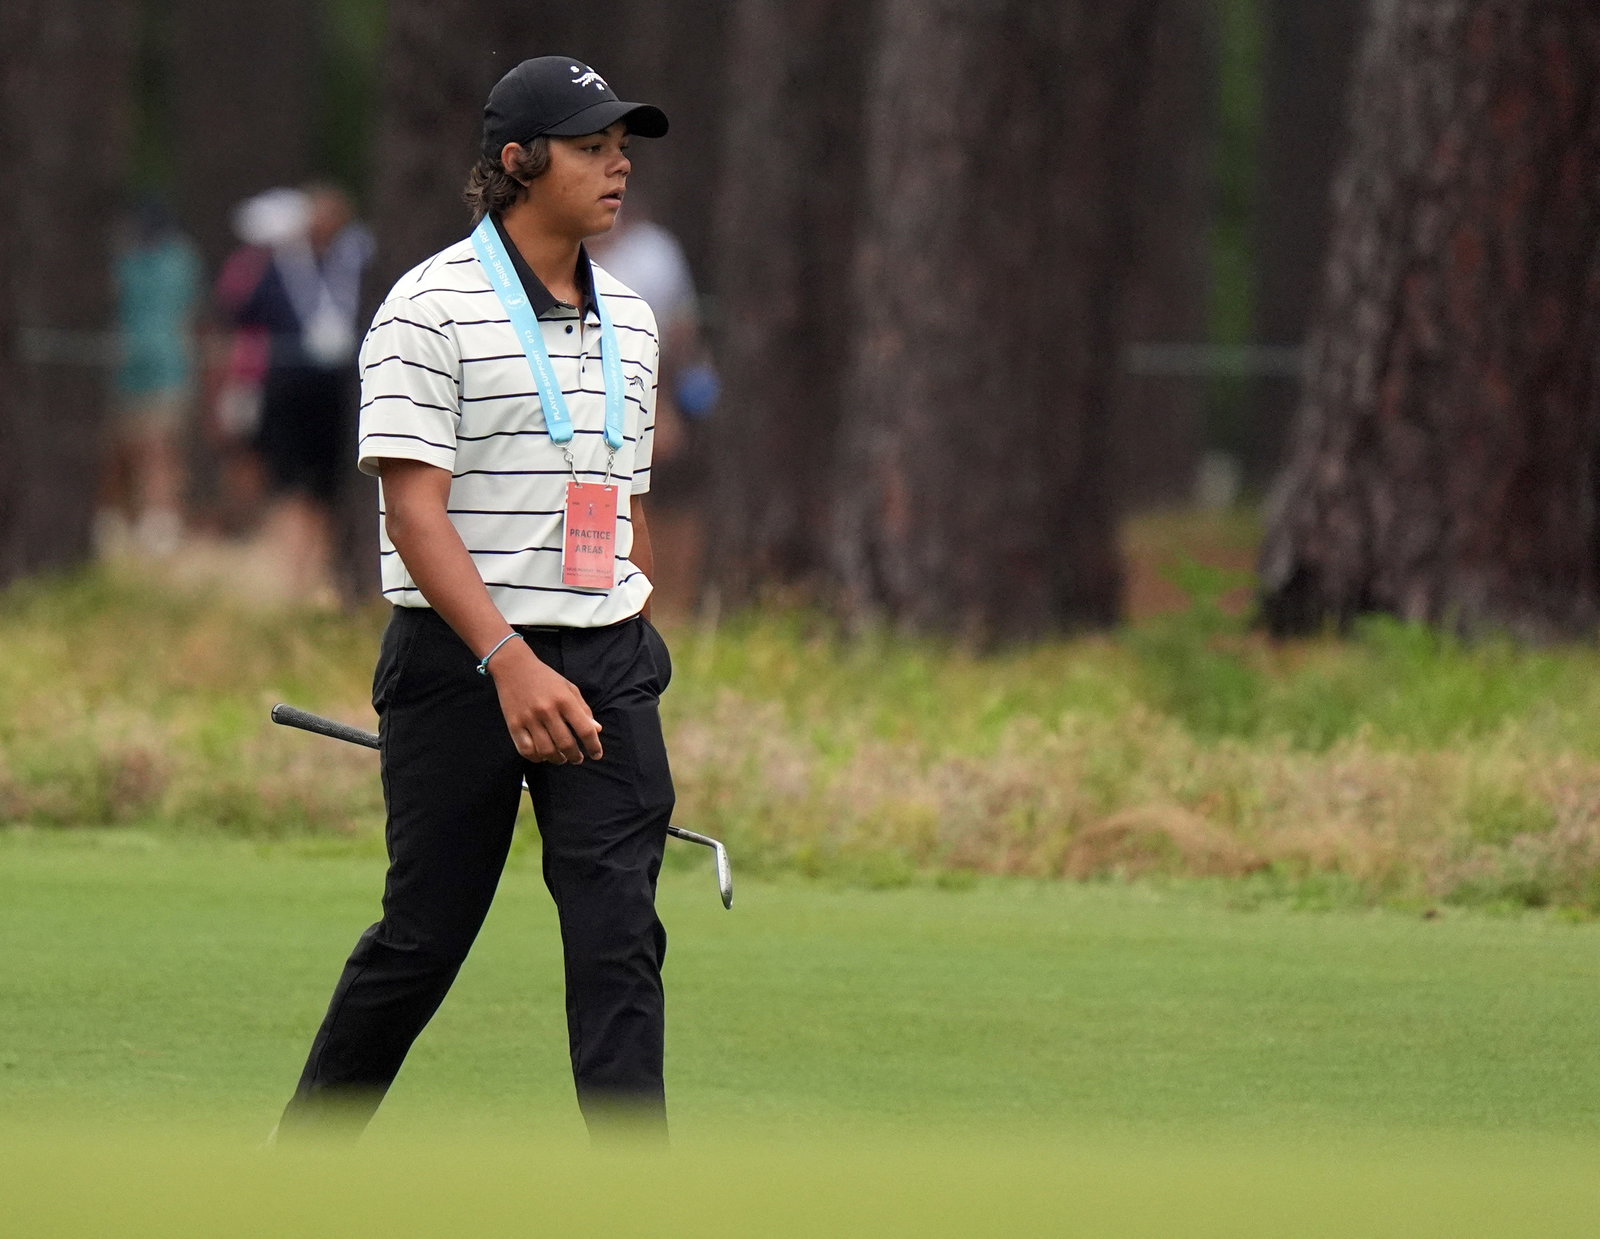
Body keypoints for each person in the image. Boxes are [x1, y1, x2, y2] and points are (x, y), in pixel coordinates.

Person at [275, 56, 675, 1140]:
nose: (617, 165)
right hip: (462, 665)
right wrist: (509, 661)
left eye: (621, 146)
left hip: (601, 662)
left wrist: (619, 644)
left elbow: (614, 502)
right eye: (592, 146)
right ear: (516, 162)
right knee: (423, 940)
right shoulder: (427, 307)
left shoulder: (634, 319)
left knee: (618, 937)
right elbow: (416, 516)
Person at [226, 184, 373, 596]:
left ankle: (321, 572)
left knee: (331, 489)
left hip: (343, 391)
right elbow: (243, 312)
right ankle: (289, 577)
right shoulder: (279, 263)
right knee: (289, 486)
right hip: (288, 388)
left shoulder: (359, 260)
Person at [96, 199, 202, 557]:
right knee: (127, 453)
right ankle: (131, 527)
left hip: (160, 370)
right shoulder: (173, 260)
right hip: (130, 371)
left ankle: (158, 528)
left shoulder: (170, 261)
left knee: (158, 451)